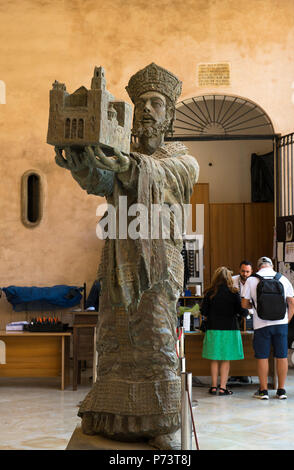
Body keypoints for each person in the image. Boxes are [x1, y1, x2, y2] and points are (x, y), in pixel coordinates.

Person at [54, 63, 199, 449]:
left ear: (169, 114)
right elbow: (102, 181)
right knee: (116, 342)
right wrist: (82, 163)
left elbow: (172, 175)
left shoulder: (181, 157)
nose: (149, 109)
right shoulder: (121, 151)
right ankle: (111, 418)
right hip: (119, 260)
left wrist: (129, 165)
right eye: (143, 103)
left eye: (156, 103)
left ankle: (161, 423)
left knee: (155, 341)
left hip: (158, 266)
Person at [242, 256, 294, 400]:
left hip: (261, 325)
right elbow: (292, 303)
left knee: (262, 356)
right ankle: (281, 390)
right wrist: (287, 320)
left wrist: (254, 305)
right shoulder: (283, 279)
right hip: (281, 324)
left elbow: (244, 304)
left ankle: (263, 390)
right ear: (272, 266)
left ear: (259, 267)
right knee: (282, 356)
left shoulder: (251, 280)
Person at [201, 266, 248, 396]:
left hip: (213, 329)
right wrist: (247, 308)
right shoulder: (234, 292)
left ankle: (213, 387)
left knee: (214, 359)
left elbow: (203, 311)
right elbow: (241, 311)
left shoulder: (209, 293)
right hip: (230, 330)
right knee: (226, 359)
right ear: (229, 278)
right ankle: (223, 388)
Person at [230, 260, 253, 384]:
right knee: (234, 344)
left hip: (250, 315)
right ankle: (234, 372)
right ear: (239, 270)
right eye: (243, 271)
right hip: (235, 316)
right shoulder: (232, 280)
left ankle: (245, 372)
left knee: (247, 344)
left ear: (251, 272)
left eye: (247, 271)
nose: (245, 274)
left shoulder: (254, 281)